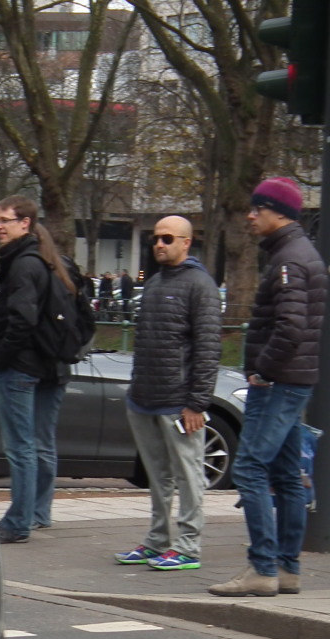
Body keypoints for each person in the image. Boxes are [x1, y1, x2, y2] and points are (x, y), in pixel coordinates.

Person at [210, 177, 326, 597]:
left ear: (280, 213)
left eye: (258, 209)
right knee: (287, 473)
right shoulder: (299, 254)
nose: (251, 215)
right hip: (295, 380)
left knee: (251, 468)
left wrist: (263, 369)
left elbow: (290, 327)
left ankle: (262, 568)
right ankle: (287, 568)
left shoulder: (287, 261)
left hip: (278, 382)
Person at [115, 216, 222, 571]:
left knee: (189, 474)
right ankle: (158, 540)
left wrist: (197, 402)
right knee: (158, 475)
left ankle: (188, 546)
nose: (159, 244)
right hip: (144, 398)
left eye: (166, 238)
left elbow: (208, 348)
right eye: (155, 239)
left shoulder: (200, 286)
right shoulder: (157, 283)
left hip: (178, 403)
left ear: (186, 242)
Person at [0, 195, 74, 544]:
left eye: (5, 220)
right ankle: (36, 513)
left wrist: (1, 355)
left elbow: (22, 319)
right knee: (39, 444)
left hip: (19, 367)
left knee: (20, 448)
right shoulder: (42, 262)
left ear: (25, 223)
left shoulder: (21, 264)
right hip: (45, 365)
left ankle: (18, 522)